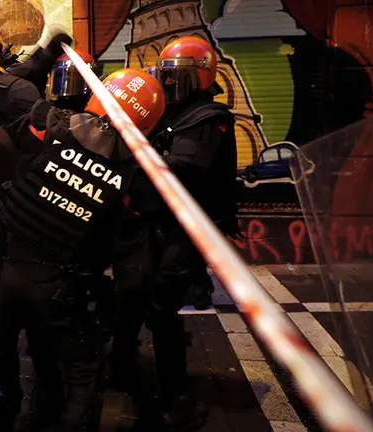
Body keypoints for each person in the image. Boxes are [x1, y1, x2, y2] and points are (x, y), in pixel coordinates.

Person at [0, 68, 166, 432]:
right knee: (84, 372)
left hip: (7, 272)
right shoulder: (132, 176)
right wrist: (117, 313)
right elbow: (132, 267)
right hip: (61, 287)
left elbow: (2, 113)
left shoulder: (51, 128)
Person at [109, 36, 238, 430]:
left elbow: (183, 169)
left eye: (175, 76)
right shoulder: (171, 113)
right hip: (155, 223)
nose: (167, 84)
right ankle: (122, 365)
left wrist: (132, 151)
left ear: (200, 76)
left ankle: (175, 394)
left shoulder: (207, 118)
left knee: (162, 308)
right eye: (164, 75)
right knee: (129, 293)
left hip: (188, 229)